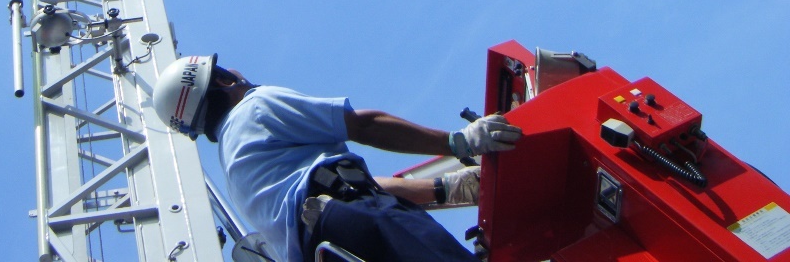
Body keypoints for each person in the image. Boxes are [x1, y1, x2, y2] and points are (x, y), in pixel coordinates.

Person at [152, 54, 522, 262]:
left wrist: (446, 188)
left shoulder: (237, 169)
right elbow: (366, 126)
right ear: (221, 81)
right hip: (352, 223)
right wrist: (460, 142)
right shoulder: (256, 107)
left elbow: (338, 187)